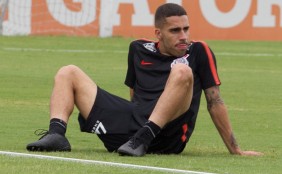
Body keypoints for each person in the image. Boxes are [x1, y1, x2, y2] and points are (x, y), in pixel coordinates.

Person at [26, 3, 262, 157]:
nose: (184, 36)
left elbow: (215, 101)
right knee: (68, 71)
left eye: (186, 29)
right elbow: (134, 95)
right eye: (175, 31)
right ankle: (57, 134)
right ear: (158, 33)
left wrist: (236, 150)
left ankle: (143, 137)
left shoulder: (199, 51)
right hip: (129, 131)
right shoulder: (138, 48)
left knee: (182, 71)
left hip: (165, 137)